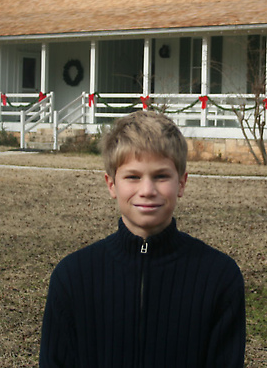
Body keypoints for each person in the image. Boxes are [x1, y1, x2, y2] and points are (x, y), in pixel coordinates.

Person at [39, 111, 246, 368]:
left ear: (181, 183)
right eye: (133, 177)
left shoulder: (219, 277)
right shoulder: (72, 277)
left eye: (161, 176)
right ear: (111, 184)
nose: (147, 191)